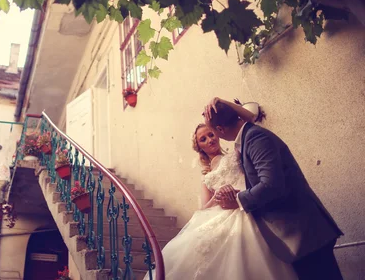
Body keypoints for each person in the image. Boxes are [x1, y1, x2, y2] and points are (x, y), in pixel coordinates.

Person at [145, 98, 297, 280]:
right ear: (199, 147)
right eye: (203, 139)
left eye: (210, 134)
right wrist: (218, 196)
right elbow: (204, 207)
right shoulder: (206, 177)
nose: (209, 140)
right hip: (224, 210)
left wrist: (223, 101)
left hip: (247, 206)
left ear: (218, 132)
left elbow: (249, 119)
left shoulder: (237, 152)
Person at [206, 99, 343, 280]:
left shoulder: (255, 137)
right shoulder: (247, 136)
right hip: (301, 235)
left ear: (221, 129)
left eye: (213, 131)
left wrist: (238, 200)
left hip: (305, 234)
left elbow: (271, 185)